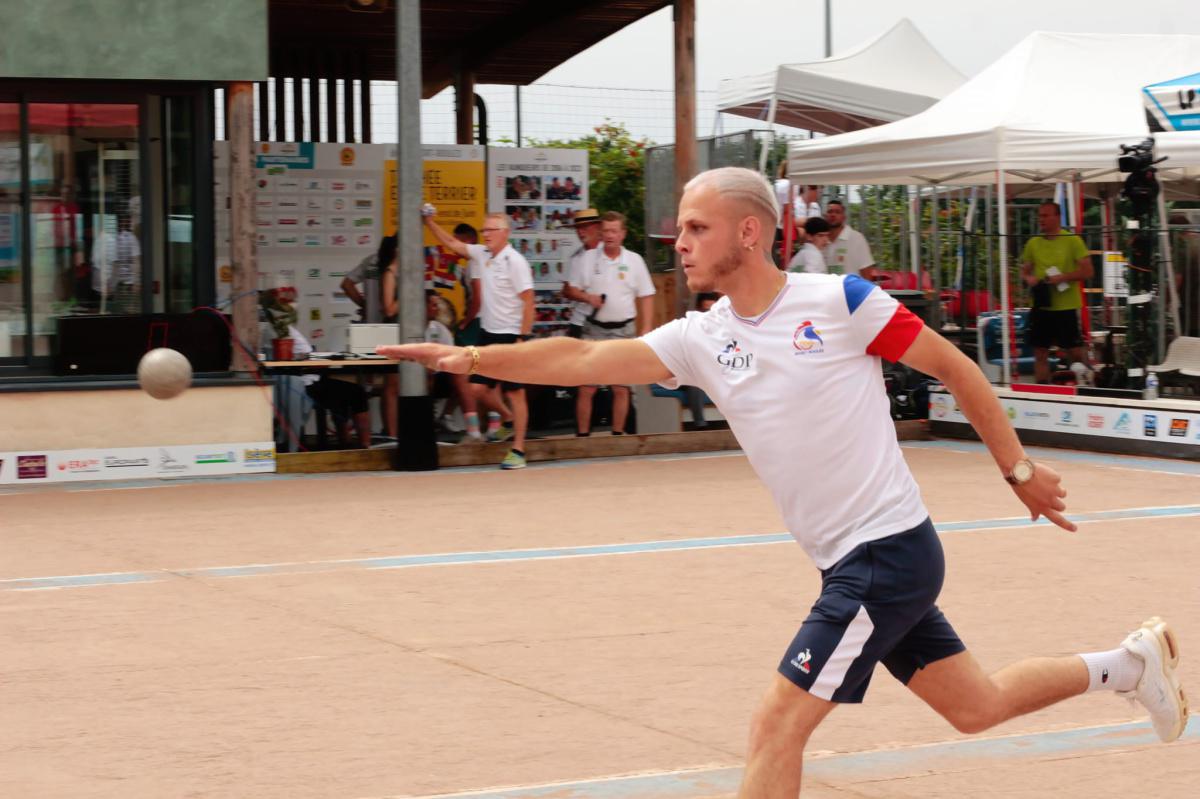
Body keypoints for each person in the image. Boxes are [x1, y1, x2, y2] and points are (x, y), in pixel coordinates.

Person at [379, 166, 1188, 797]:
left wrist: (1017, 469)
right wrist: (472, 357)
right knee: (974, 705)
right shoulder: (704, 336)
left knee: (774, 726)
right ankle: (1127, 664)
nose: (681, 243)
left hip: (888, 555)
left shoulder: (839, 300)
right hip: (854, 562)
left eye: (696, 227)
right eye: (679, 230)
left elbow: (955, 367)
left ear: (750, 231)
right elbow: (586, 358)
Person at [422, 209, 534, 468]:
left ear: (505, 233)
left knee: (516, 393)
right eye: (483, 230)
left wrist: (522, 337)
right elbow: (451, 243)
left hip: (511, 334)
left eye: (490, 230)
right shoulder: (481, 254)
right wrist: (429, 221)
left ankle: (518, 450)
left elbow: (529, 303)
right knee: (476, 388)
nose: (485, 234)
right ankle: (506, 420)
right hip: (488, 332)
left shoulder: (515, 261)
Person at [569, 211, 656, 437]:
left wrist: (646, 328)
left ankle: (617, 434)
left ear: (623, 234)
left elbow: (647, 295)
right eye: (606, 231)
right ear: (601, 232)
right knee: (587, 386)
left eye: (614, 231)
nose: (610, 236)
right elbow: (570, 288)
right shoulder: (587, 259)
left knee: (621, 386)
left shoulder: (635, 261)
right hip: (594, 327)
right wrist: (588, 298)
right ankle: (582, 437)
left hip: (624, 329)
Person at [1020, 201, 1093, 384]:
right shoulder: (1033, 243)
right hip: (1041, 305)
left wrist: (1063, 277)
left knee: (1074, 351)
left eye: (1045, 216)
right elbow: (1024, 271)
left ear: (1057, 217)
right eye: (1040, 216)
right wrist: (1030, 279)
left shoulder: (1072, 241)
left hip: (1066, 306)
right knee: (1040, 352)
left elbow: (1088, 271)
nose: (1041, 220)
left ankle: (1083, 385)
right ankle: (1041, 393)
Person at [561, 208, 603, 339]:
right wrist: (589, 297)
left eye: (584, 227)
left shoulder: (609, 252)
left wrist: (578, 293)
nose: (580, 232)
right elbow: (567, 291)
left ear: (598, 227)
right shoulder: (576, 258)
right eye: (577, 228)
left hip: (606, 323)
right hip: (579, 322)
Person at [91, 213, 141, 314]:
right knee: (118, 312)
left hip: (125, 284)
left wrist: (136, 281)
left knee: (126, 312)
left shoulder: (130, 238)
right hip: (116, 284)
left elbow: (136, 261)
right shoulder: (111, 239)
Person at [341, 235, 396, 323]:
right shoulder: (396, 265)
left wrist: (365, 306)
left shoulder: (370, 261)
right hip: (393, 325)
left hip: (370, 323)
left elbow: (346, 284)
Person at [821, 199, 876, 281]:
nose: (833, 215)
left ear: (844, 217)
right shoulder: (820, 239)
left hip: (851, 292)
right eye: (830, 212)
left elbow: (866, 270)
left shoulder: (857, 238)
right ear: (825, 216)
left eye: (837, 212)